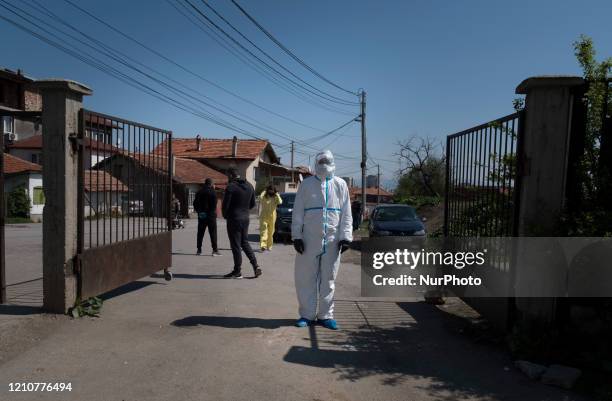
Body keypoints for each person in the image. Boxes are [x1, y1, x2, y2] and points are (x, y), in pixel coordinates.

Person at [291, 150, 352, 330]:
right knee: (305, 278)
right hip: (309, 240)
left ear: (332, 162)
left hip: (332, 241)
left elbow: (346, 214)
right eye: (322, 160)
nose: (324, 163)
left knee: (329, 279)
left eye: (327, 160)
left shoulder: (341, 185)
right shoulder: (307, 185)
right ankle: (307, 315)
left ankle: (326, 315)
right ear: (317, 162)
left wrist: (345, 237)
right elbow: (298, 212)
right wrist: (297, 236)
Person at [222, 167, 261, 279]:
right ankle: (255, 265)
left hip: (234, 218)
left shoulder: (231, 187)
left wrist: (226, 215)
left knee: (236, 245)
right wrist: (244, 210)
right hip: (245, 218)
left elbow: (225, 205)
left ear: (230, 175)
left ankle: (237, 271)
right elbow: (253, 204)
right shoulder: (250, 186)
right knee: (244, 242)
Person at [193, 178, 220, 256]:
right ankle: (215, 250)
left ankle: (199, 250)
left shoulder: (199, 192)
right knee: (213, 233)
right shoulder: (213, 192)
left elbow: (195, 203)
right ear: (211, 184)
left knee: (200, 232)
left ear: (205, 183)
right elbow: (214, 204)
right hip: (211, 215)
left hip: (202, 214)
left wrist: (199, 211)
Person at [259, 185, 283, 252]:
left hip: (272, 216)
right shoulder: (264, 196)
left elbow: (280, 202)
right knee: (263, 231)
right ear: (267, 190)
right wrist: (264, 191)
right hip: (264, 216)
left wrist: (277, 194)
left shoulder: (275, 197)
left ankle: (269, 246)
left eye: (272, 190)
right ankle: (263, 246)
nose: (270, 192)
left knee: (271, 232)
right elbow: (260, 198)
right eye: (269, 190)